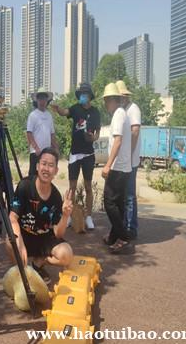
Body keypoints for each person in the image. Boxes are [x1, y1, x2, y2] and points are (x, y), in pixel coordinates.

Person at [7, 147, 74, 284]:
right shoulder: (25, 186)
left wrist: (65, 216)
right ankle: (22, 273)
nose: (46, 169)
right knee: (10, 241)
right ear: (37, 166)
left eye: (51, 165)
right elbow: (12, 218)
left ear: (56, 171)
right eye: (44, 164)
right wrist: (20, 243)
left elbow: (58, 233)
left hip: (44, 238)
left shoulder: (56, 196)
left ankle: (38, 264)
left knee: (66, 255)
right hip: (25, 235)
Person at [51, 82, 100, 230]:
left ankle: (89, 216)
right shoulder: (75, 108)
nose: (83, 96)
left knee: (88, 186)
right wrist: (57, 108)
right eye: (81, 94)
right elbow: (64, 112)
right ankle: (70, 216)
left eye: (85, 94)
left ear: (90, 96)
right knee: (72, 187)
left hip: (88, 153)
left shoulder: (96, 112)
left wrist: (93, 138)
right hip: (75, 153)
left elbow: (97, 134)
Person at [101, 82, 132, 253]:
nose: (105, 104)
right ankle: (114, 236)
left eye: (107, 100)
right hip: (123, 166)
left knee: (109, 202)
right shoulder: (121, 113)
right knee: (118, 204)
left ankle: (123, 237)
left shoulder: (119, 115)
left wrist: (108, 165)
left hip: (118, 167)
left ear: (114, 100)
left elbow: (118, 141)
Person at [117, 80, 141, 240]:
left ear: (125, 96)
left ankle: (131, 228)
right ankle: (125, 225)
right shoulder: (123, 110)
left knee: (130, 196)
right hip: (125, 161)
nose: (120, 99)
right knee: (124, 195)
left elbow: (135, 131)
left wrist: (129, 154)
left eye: (121, 96)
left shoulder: (133, 109)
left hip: (130, 161)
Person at [26, 87, 59, 177]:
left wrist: (56, 148)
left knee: (44, 175)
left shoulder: (49, 115)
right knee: (33, 176)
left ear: (47, 100)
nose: (42, 101)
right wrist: (36, 148)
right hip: (36, 152)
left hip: (46, 152)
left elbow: (52, 134)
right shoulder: (33, 115)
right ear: (37, 100)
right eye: (40, 99)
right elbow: (29, 133)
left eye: (44, 99)